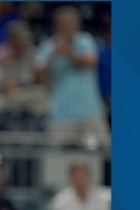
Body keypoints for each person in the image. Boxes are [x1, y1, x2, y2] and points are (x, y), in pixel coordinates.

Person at [35, 5, 110, 147]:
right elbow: (38, 77)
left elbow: (91, 61)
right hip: (61, 113)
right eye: (64, 23)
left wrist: (68, 53)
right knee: (56, 158)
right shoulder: (48, 46)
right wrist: (53, 56)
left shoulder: (85, 40)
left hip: (90, 111)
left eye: (71, 22)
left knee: (103, 150)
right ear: (57, 25)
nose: (68, 26)